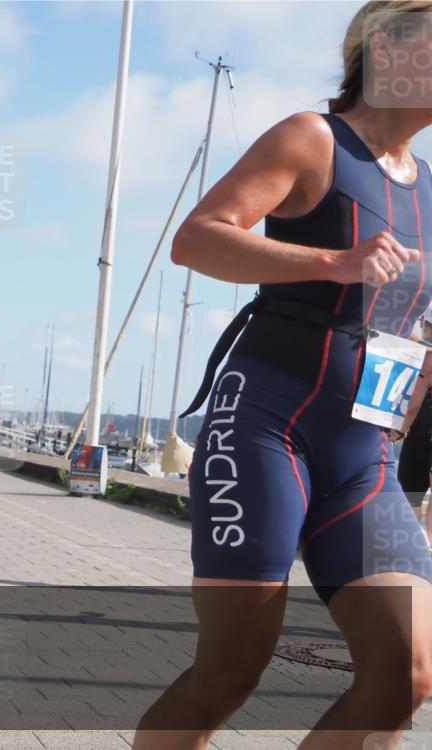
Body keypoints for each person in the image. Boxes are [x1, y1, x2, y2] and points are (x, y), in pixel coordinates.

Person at [134, 4, 432, 748]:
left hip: (367, 452)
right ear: (385, 52)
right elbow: (198, 239)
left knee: (407, 669)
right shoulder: (312, 139)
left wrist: (398, 425)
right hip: (269, 423)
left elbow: (413, 327)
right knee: (231, 670)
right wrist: (334, 262)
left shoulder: (429, 188)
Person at [390, 316, 432, 544]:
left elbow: (413, 404)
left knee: (411, 492)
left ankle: (411, 542)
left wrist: (400, 431)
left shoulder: (425, 356)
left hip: (423, 429)